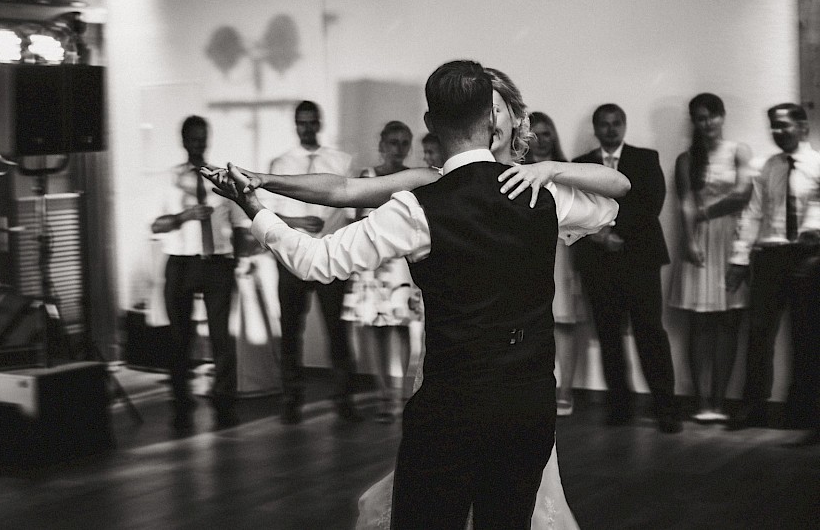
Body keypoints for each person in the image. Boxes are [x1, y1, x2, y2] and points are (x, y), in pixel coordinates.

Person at [206, 62, 623, 529]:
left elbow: (313, 262)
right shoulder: (543, 197)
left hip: (453, 406)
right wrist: (552, 173)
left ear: (429, 125)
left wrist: (254, 209)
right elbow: (609, 204)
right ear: (490, 119)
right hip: (528, 402)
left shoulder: (420, 206)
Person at [572, 103, 681, 433]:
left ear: (624, 125)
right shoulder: (578, 165)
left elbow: (651, 203)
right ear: (595, 128)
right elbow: (574, 206)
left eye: (616, 123)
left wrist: (618, 233)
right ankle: (619, 406)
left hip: (640, 260)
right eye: (603, 124)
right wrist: (600, 235)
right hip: (598, 263)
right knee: (609, 335)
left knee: (650, 333)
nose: (610, 129)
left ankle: (666, 409)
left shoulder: (646, 158)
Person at [726, 103, 820, 446]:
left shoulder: (817, 164)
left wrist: (812, 231)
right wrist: (738, 259)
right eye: (773, 127)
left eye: (783, 125)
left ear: (803, 127)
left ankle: (803, 415)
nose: (778, 132)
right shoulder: (768, 166)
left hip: (807, 257)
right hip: (769, 257)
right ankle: (753, 407)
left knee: (806, 338)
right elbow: (752, 214)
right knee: (759, 334)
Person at [150, 116, 250, 432]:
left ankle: (224, 400)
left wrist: (233, 259)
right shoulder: (168, 180)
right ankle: (180, 399)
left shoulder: (221, 178)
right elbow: (156, 225)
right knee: (180, 335)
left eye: (202, 138)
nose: (198, 144)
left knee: (222, 335)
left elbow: (237, 224)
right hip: (180, 262)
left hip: (217, 262)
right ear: (183, 140)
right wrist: (185, 215)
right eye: (192, 139)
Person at [266, 100, 360, 424]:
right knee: (291, 330)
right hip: (293, 257)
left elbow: (350, 214)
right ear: (295, 124)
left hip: (331, 257)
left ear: (320, 122)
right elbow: (267, 212)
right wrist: (295, 221)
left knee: (338, 330)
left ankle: (344, 400)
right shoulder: (280, 163)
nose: (307, 128)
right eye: (301, 123)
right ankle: (291, 399)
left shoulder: (340, 161)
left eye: (311, 122)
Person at [666, 94, 752, 423]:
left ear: (722, 117)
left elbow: (743, 194)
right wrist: (688, 240)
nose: (707, 124)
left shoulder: (738, 151)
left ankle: (720, 401)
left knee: (729, 321)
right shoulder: (687, 159)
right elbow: (685, 203)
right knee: (700, 322)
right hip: (698, 241)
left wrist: (706, 211)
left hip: (732, 241)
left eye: (712, 116)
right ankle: (701, 403)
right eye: (700, 118)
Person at [343, 121, 421, 422]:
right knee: (376, 330)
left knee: (402, 328)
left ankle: (400, 394)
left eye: (404, 143)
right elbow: (358, 220)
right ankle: (383, 394)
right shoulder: (368, 176)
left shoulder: (412, 177)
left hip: (402, 263)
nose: (398, 148)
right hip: (375, 262)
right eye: (393, 142)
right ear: (382, 144)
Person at [526, 111, 585, 417]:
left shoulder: (568, 171)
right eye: (533, 134)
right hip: (527, 253)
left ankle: (566, 390)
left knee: (563, 322)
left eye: (546, 133)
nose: (540, 140)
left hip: (562, 252)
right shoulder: (514, 170)